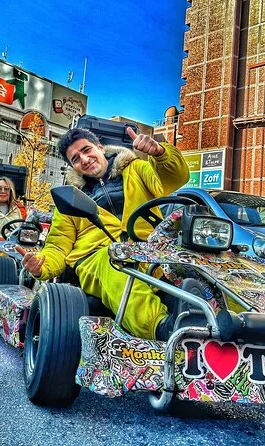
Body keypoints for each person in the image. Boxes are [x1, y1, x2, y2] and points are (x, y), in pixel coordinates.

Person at [18, 127, 189, 341]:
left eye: (86, 150)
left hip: (149, 253)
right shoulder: (70, 198)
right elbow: (58, 245)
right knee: (112, 259)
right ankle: (163, 329)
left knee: (193, 261)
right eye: (75, 159)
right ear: (73, 167)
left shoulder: (136, 168)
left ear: (100, 147)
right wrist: (42, 265)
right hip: (97, 259)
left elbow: (174, 178)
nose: (84, 159)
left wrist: (160, 154)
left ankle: (218, 318)